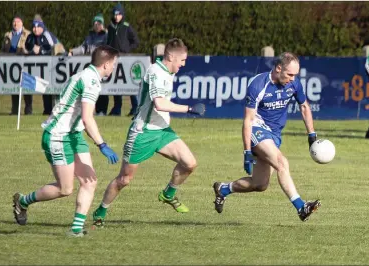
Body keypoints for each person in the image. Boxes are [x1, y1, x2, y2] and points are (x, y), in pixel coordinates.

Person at [92, 38, 205, 227]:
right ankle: (100, 212)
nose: (183, 65)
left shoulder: (168, 71)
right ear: (170, 57)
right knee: (124, 179)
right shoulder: (155, 72)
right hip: (142, 133)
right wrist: (189, 109)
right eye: (182, 61)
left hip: (161, 130)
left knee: (190, 163)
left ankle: (168, 194)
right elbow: (160, 104)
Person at [12, 45, 121, 237]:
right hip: (58, 136)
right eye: (114, 64)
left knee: (90, 181)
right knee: (65, 188)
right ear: (106, 64)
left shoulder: (86, 76)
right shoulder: (91, 81)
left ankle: (76, 230)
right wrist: (102, 145)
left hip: (73, 134)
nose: (114, 68)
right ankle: (23, 201)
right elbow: (88, 118)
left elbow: (82, 115)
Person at [212, 52, 321, 222]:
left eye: (295, 75)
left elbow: (304, 107)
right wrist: (247, 151)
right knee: (282, 163)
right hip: (257, 130)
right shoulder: (258, 85)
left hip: (274, 135)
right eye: (290, 74)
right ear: (278, 68)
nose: (293, 78)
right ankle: (301, 207)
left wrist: (312, 136)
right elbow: (248, 121)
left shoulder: (294, 84)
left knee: (260, 184)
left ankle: (224, 189)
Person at [103, 3, 140, 116]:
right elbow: (108, 42)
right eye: (115, 14)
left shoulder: (126, 26)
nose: (116, 17)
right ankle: (117, 108)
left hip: (125, 59)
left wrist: (127, 48)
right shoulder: (110, 27)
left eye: (118, 14)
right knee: (116, 84)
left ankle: (135, 107)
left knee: (128, 83)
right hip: (114, 59)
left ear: (122, 15)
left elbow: (136, 41)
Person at [2, 15, 32, 115]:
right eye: (14, 22)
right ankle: (15, 110)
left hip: (25, 63)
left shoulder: (28, 34)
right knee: (14, 88)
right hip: (12, 65)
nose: (16, 24)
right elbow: (4, 49)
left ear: (22, 23)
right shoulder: (8, 35)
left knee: (27, 87)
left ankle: (28, 110)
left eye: (18, 22)